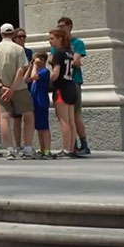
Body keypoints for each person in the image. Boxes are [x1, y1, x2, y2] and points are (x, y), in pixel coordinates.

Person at [0, 23, 35, 160]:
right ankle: (28, 148)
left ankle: (9, 149)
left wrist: (1, 87)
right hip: (19, 88)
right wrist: (13, 88)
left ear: (1, 33)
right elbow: (21, 69)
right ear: (13, 34)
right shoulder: (18, 49)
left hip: (1, 89)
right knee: (28, 116)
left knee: (4, 117)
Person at [55, 17, 90, 154]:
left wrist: (70, 60)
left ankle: (84, 144)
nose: (60, 29)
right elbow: (53, 60)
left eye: (62, 26)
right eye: (58, 26)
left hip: (74, 80)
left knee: (75, 113)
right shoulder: (58, 45)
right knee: (64, 116)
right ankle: (71, 145)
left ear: (69, 26)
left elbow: (76, 61)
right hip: (62, 83)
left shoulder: (77, 43)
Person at [48, 29, 78, 159]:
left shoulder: (58, 53)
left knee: (63, 120)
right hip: (71, 85)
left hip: (61, 88)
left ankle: (66, 149)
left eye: (52, 38)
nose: (50, 41)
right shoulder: (69, 53)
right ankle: (70, 149)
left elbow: (55, 75)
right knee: (71, 121)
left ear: (60, 39)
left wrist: (44, 75)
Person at [12, 27, 34, 149]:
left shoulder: (29, 52)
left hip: (28, 86)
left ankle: (27, 145)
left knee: (28, 116)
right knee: (16, 118)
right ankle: (17, 145)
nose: (22, 39)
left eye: (24, 36)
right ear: (14, 38)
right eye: (19, 36)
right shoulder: (13, 52)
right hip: (16, 86)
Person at [29, 52, 53, 159]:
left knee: (44, 127)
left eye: (36, 60)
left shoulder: (44, 71)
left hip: (41, 101)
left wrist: (34, 66)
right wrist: (31, 66)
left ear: (42, 60)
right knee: (39, 127)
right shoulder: (36, 70)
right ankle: (42, 148)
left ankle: (47, 149)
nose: (34, 62)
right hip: (34, 101)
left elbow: (33, 77)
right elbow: (27, 79)